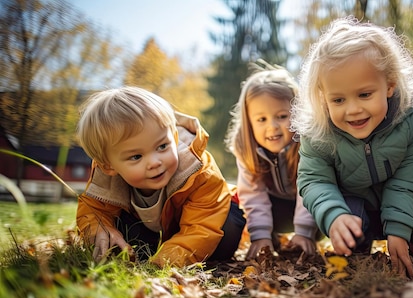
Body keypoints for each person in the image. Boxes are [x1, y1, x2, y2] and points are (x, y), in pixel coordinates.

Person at [291, 16, 413, 278]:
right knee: (344, 202)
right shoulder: (319, 133)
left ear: (389, 85)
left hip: (404, 208)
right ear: (323, 97)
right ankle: (354, 248)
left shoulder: (409, 122)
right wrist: (334, 216)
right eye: (338, 99)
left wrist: (399, 231)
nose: (353, 109)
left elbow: (407, 179)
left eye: (365, 94)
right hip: (355, 215)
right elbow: (313, 181)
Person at [75, 86, 245, 268]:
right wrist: (102, 230)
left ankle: (181, 251)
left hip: (210, 217)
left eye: (162, 146)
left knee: (228, 230)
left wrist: (162, 263)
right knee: (128, 237)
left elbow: (203, 227)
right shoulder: (105, 182)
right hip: (159, 229)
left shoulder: (198, 170)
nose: (155, 162)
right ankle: (156, 246)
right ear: (109, 166)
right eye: (136, 157)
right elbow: (93, 211)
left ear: (174, 136)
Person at [225, 61, 319, 260]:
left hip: (311, 210)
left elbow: (311, 187)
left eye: (282, 116)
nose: (272, 127)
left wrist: (304, 231)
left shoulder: (308, 142)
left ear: (297, 114)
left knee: (324, 198)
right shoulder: (246, 148)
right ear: (249, 122)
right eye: (262, 119)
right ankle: (270, 237)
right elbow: (253, 194)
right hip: (276, 210)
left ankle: (305, 237)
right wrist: (260, 236)